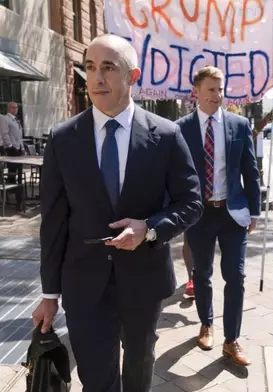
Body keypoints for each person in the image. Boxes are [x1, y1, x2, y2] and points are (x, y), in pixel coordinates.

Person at [32, 34, 203, 391]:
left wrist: (149, 229)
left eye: (108, 68)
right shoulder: (63, 138)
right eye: (90, 67)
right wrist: (50, 294)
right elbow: (53, 222)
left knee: (139, 369)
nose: (97, 78)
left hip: (143, 280)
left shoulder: (166, 135)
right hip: (83, 283)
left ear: (133, 75)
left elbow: (191, 202)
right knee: (95, 378)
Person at [176, 65, 261, 365]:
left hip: (232, 213)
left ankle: (232, 340)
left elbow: (251, 172)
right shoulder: (181, 128)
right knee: (202, 274)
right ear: (196, 92)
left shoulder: (239, 126)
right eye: (211, 89)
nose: (217, 95)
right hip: (198, 214)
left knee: (235, 276)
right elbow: (173, 175)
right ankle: (206, 323)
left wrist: (254, 212)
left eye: (220, 89)